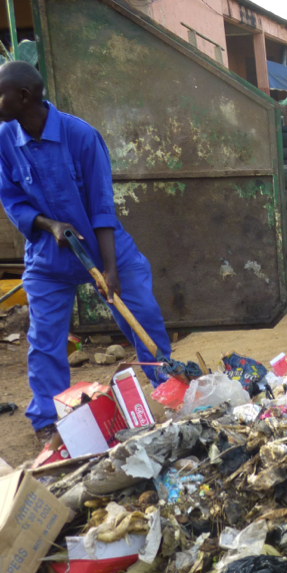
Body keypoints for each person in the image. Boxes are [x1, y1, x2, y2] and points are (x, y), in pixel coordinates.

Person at [0, 61, 171, 442]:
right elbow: (13, 200)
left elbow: (101, 206)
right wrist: (50, 225)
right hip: (48, 258)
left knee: (141, 311)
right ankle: (48, 417)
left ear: (23, 97)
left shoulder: (81, 136)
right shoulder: (4, 140)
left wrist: (110, 269)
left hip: (103, 246)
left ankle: (169, 383)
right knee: (44, 339)